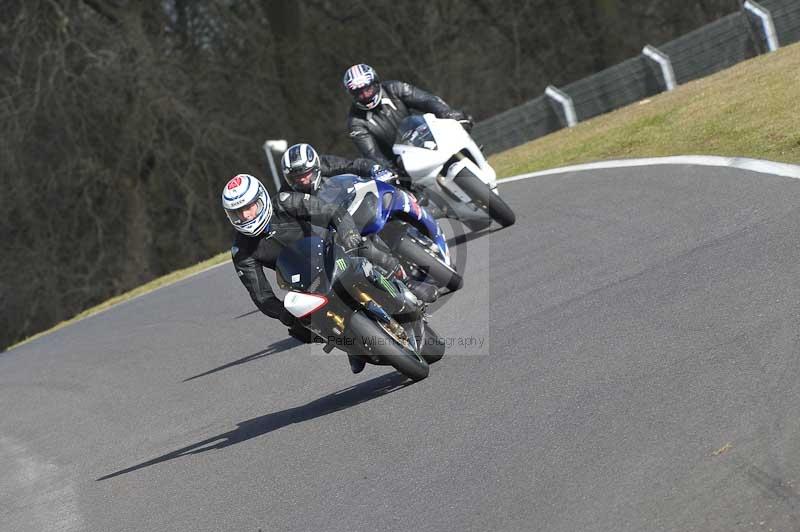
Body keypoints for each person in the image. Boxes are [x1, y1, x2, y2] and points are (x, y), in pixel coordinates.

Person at [222, 173, 425, 374]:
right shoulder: (241, 251)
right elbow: (261, 294)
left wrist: (349, 233)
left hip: (330, 251)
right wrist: (284, 314)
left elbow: (331, 211)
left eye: (248, 207)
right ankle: (351, 346)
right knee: (300, 328)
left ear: (261, 198)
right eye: (238, 212)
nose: (245, 215)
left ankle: (403, 289)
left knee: (364, 255)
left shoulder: (285, 202)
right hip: (303, 283)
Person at [280, 143, 438, 304]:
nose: (303, 180)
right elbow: (295, 228)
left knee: (391, 195)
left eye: (306, 174)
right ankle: (404, 282)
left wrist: (374, 169)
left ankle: (418, 214)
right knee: (366, 251)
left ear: (315, 167)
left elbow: (352, 165)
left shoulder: (326, 163)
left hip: (352, 207)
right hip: (331, 231)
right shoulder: (287, 196)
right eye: (296, 177)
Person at [343, 63, 472, 168]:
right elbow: (372, 153)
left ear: (376, 84)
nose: (365, 95)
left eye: (368, 89)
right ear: (353, 95)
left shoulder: (394, 88)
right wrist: (389, 170)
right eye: (359, 93)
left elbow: (427, 101)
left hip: (426, 139)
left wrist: (447, 114)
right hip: (402, 163)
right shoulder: (355, 122)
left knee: (461, 135)